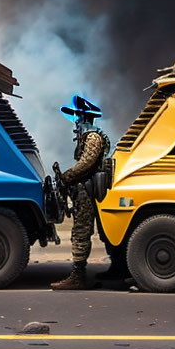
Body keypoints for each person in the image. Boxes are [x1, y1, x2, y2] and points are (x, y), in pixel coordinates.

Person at [50, 95, 110, 290]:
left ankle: (78, 276)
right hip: (84, 189)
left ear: (85, 117)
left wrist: (67, 177)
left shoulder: (93, 137)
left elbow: (87, 163)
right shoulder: (87, 136)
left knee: (81, 231)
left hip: (87, 190)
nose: (75, 121)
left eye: (77, 116)